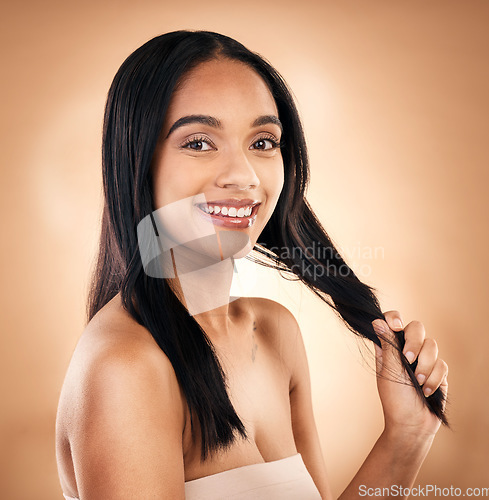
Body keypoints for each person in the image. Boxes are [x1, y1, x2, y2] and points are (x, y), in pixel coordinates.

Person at [55, 30, 449, 499]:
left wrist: (407, 434)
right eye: (199, 142)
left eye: (263, 142)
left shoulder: (275, 332)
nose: (244, 175)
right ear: (137, 159)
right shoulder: (126, 368)